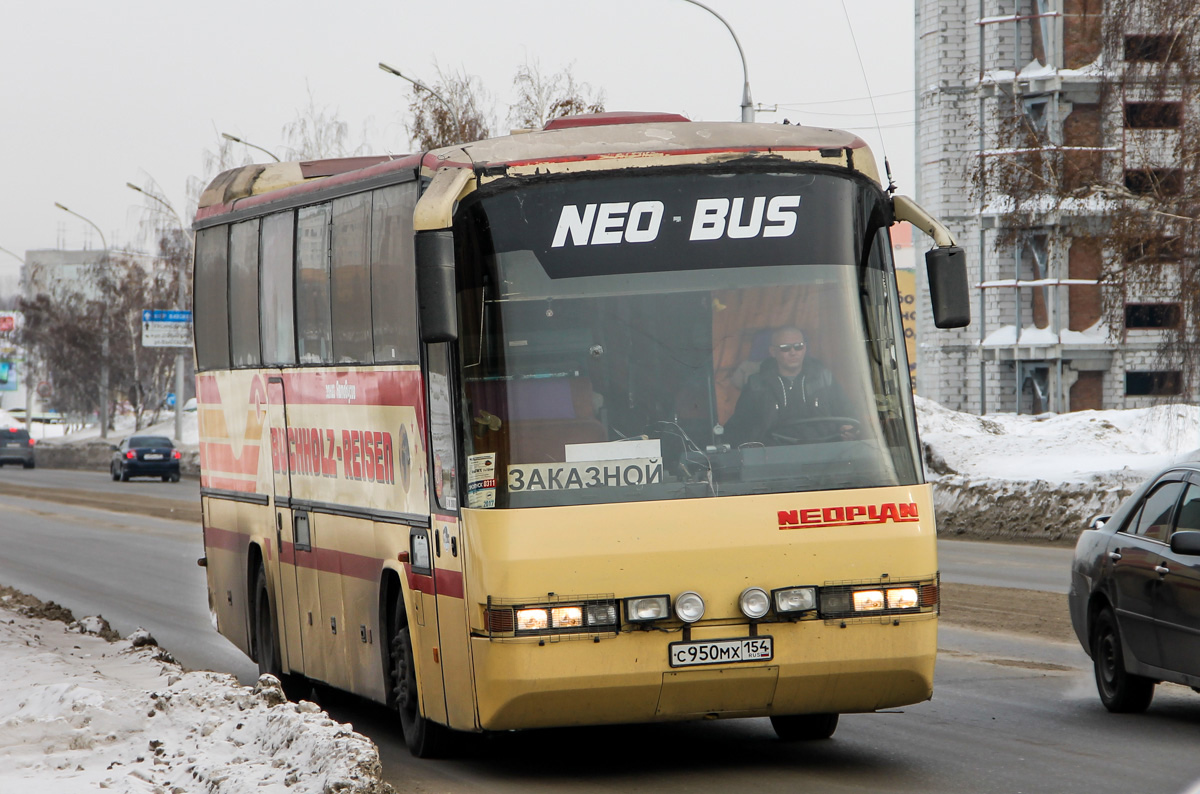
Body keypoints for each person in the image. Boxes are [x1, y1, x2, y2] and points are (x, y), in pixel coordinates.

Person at [722, 326, 856, 446]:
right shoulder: (756, 385)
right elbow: (738, 427)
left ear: (805, 349)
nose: (793, 352)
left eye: (798, 346)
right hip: (773, 459)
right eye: (785, 348)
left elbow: (848, 414)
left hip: (826, 456)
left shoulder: (825, 379)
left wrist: (850, 430)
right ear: (773, 352)